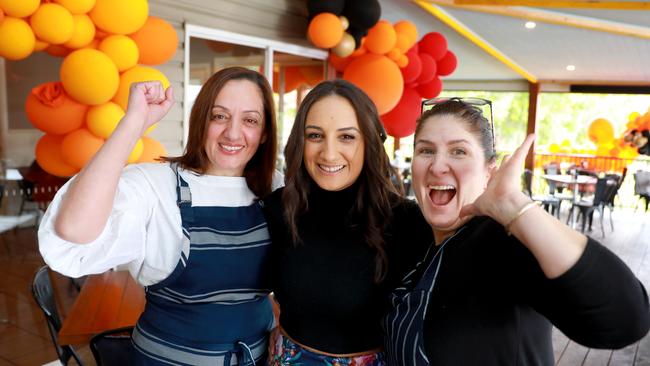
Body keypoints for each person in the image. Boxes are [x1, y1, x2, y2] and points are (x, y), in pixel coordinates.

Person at [38, 67, 279, 365]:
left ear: (265, 131)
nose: (232, 132)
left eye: (250, 120)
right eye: (219, 116)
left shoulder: (278, 189)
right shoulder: (157, 184)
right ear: (200, 120)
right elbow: (74, 228)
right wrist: (133, 123)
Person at [384, 98, 650, 365]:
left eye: (458, 152)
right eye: (426, 151)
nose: (437, 166)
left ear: (490, 171)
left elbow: (624, 320)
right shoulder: (417, 232)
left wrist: (515, 206)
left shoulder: (501, 241)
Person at [263, 79, 432, 365]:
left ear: (370, 141)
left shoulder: (408, 222)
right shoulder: (278, 207)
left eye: (347, 137)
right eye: (315, 135)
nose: (329, 154)